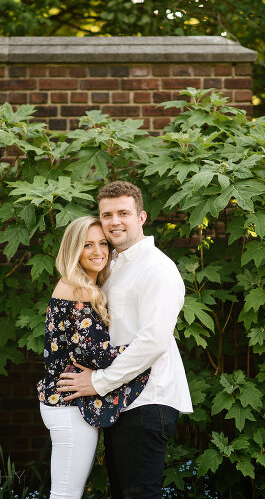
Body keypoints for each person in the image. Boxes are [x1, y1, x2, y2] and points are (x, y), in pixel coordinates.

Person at [57, 181, 193, 498]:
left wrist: (99, 382)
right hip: (122, 400)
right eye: (107, 215)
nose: (115, 221)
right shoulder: (114, 266)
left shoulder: (156, 268)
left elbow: (154, 340)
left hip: (147, 399)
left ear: (141, 217)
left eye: (123, 213)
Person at [37, 215, 151, 499]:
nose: (98, 251)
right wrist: (143, 348)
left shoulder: (82, 287)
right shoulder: (81, 290)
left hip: (65, 402)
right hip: (69, 404)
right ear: (74, 250)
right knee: (66, 494)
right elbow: (96, 355)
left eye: (103, 243)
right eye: (87, 245)